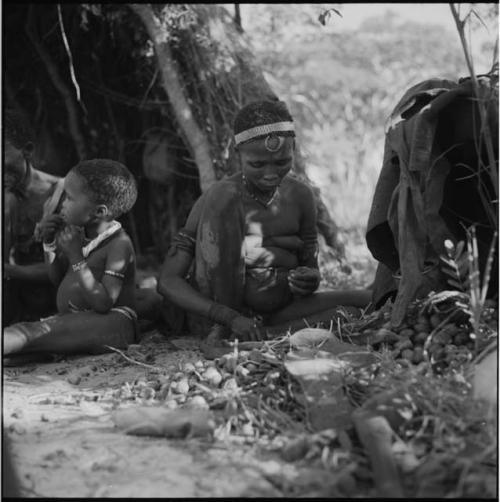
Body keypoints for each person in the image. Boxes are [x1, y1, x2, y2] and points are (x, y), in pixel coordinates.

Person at [158, 100, 372, 342]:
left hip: (282, 311)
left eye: (282, 162)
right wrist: (228, 317)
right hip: (226, 317)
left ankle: (265, 335)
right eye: (257, 164)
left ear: (294, 148)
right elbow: (167, 281)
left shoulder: (301, 196)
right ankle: (237, 334)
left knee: (364, 303)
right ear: (237, 155)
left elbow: (310, 265)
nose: (270, 174)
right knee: (344, 316)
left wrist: (309, 279)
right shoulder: (217, 200)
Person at [3, 159, 139, 356]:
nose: (63, 204)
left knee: (27, 334)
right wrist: (49, 243)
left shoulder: (119, 245)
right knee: (29, 336)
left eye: (70, 198)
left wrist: (76, 256)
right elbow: (57, 278)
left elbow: (104, 303)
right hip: (83, 320)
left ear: (99, 211)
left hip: (114, 322)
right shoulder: (80, 234)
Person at [3, 111, 65, 325]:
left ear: (27, 150)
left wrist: (10, 271)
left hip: (65, 297)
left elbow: (68, 267)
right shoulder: (6, 201)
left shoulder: (64, 193)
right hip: (21, 303)